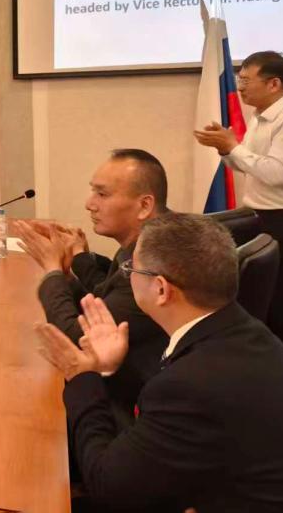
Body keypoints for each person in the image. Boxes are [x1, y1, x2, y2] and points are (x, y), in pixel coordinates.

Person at [35, 212, 283, 512]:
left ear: (160, 289)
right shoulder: (245, 330)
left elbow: (108, 487)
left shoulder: (190, 385)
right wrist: (108, 369)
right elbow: (169, 420)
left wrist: (82, 376)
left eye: (131, 269)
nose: (127, 276)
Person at [15, 149, 168, 413]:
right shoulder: (149, 239)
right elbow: (103, 300)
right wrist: (67, 273)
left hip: (126, 404)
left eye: (102, 194)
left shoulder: (153, 262)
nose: (90, 204)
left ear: (144, 206)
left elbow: (77, 342)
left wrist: (52, 271)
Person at [194, 50, 283, 342]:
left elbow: (277, 173)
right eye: (239, 79)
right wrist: (226, 149)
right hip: (260, 216)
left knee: (280, 304)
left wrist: (233, 147)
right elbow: (248, 166)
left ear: (273, 83)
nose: (240, 86)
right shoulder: (262, 116)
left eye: (247, 80)